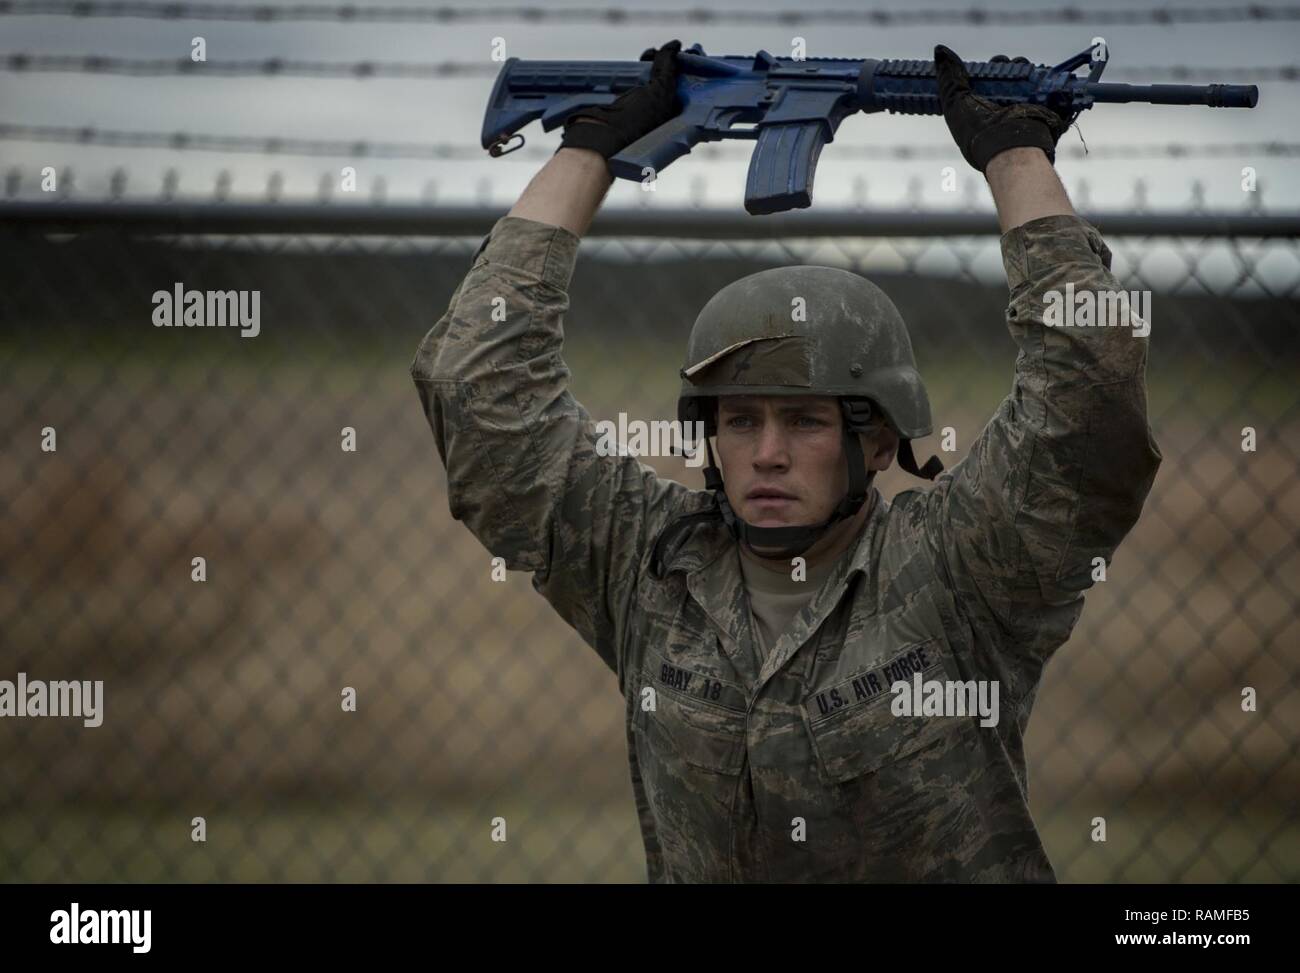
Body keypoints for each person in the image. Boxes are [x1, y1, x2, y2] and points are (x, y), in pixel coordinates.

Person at [410, 41, 1162, 882]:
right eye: (740, 420)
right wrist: (590, 147)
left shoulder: (963, 566)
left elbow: (1088, 401)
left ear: (879, 441)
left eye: (805, 421)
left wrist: (1017, 157)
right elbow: (479, 391)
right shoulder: (649, 567)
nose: (766, 453)